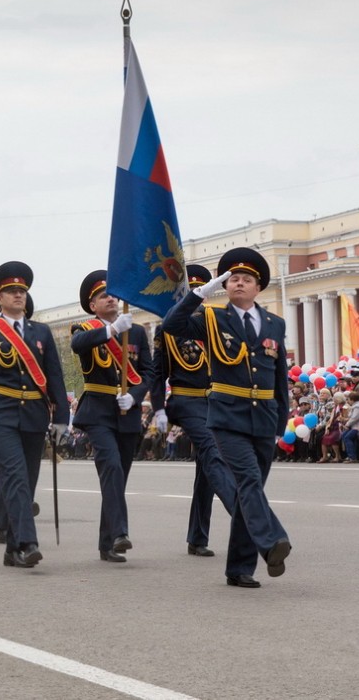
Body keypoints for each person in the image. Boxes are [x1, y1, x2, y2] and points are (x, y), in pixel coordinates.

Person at [162, 246, 292, 589]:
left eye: (246, 279)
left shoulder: (274, 324)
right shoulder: (212, 318)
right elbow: (171, 325)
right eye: (233, 278)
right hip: (226, 415)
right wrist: (199, 294)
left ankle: (238, 568)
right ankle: (272, 540)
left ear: (258, 287)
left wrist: (281, 422)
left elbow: (280, 379)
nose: (238, 283)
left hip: (264, 415)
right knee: (247, 481)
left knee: (254, 489)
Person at [0, 261, 69, 569]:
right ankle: (27, 543)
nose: (18, 295)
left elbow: (55, 376)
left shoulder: (42, 332)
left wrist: (62, 416)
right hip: (0, 413)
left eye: (22, 290)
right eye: (11, 291)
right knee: (15, 476)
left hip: (34, 414)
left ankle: (11, 548)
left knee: (29, 479)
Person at [150, 264, 238, 557]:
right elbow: (158, 373)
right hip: (187, 401)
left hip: (216, 402)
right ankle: (245, 518)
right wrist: (159, 409)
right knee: (214, 452)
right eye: (194, 293)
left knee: (206, 472)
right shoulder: (170, 328)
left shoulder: (218, 325)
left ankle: (197, 537)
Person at [70, 270, 151, 563]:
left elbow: (148, 373)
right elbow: (78, 346)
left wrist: (137, 395)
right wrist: (113, 329)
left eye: (113, 294)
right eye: (104, 296)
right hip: (98, 411)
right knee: (112, 468)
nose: (112, 299)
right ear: (93, 305)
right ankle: (120, 533)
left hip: (127, 411)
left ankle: (107, 544)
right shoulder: (84, 328)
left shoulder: (137, 331)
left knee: (117, 478)